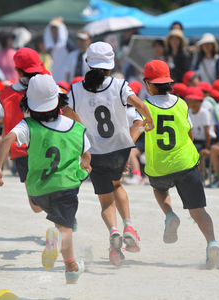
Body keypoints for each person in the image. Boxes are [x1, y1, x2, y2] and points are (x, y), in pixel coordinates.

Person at [0, 74, 90, 284]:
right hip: (65, 187)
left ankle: (71, 266)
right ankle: (61, 251)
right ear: (59, 102)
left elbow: (8, 138)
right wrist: (86, 165)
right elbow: (86, 153)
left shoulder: (28, 126)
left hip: (38, 191)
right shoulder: (75, 127)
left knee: (62, 224)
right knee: (64, 229)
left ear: (28, 104)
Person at [63, 42, 154, 267]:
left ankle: (113, 231)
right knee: (118, 186)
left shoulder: (75, 89)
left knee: (105, 202)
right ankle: (128, 225)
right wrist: (149, 119)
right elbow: (140, 106)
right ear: (110, 65)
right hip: (121, 150)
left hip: (95, 153)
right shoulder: (120, 85)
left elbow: (66, 114)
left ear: (87, 63)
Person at [131, 60, 219, 269]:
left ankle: (170, 214)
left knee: (160, 190)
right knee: (198, 210)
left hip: (160, 166)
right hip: (186, 162)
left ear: (148, 84)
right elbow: (189, 133)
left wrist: (128, 144)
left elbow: (137, 127)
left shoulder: (146, 106)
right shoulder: (182, 103)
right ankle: (212, 242)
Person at [0, 47, 49, 213]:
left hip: (24, 150)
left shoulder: (7, 95)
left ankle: (61, 213)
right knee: (37, 205)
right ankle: (61, 207)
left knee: (36, 205)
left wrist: (0, 157)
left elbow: (7, 130)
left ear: (17, 71)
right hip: (45, 146)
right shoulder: (49, 86)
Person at [185, 86, 216, 159]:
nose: (192, 103)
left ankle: (199, 169)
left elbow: (207, 133)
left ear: (201, 101)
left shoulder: (204, 113)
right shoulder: (188, 112)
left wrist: (207, 148)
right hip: (195, 140)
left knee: (193, 151)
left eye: (195, 101)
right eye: (190, 101)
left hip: (206, 141)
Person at [43, 18, 76, 82]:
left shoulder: (68, 44)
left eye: (56, 29)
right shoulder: (51, 45)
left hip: (66, 79)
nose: (54, 31)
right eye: (52, 29)